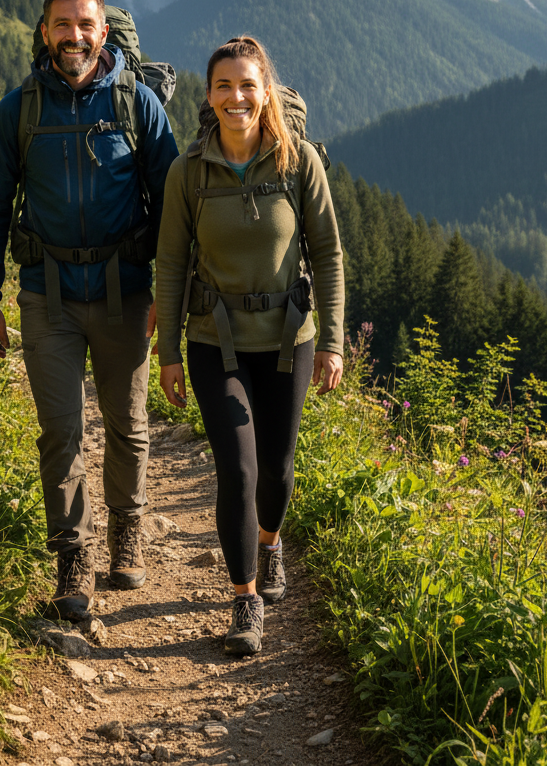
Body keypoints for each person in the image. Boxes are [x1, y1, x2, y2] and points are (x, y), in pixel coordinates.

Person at [0, 0, 179, 620]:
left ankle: (125, 535)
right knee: (60, 431)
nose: (75, 37)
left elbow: (174, 210)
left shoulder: (139, 105)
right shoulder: (19, 110)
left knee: (127, 425)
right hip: (46, 295)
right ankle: (71, 558)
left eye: (85, 25)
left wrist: (165, 303)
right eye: (63, 25)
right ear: (44, 33)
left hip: (126, 291)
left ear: (103, 32)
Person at [154, 36, 344, 655]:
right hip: (215, 340)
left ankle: (269, 543)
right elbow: (172, 262)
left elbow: (330, 256)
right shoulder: (188, 172)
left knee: (278, 470)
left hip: (289, 341)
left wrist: (333, 343)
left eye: (247, 86)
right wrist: (171, 354)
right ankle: (245, 599)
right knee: (237, 468)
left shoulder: (298, 163)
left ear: (266, 94)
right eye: (223, 87)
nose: (237, 97)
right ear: (208, 98)